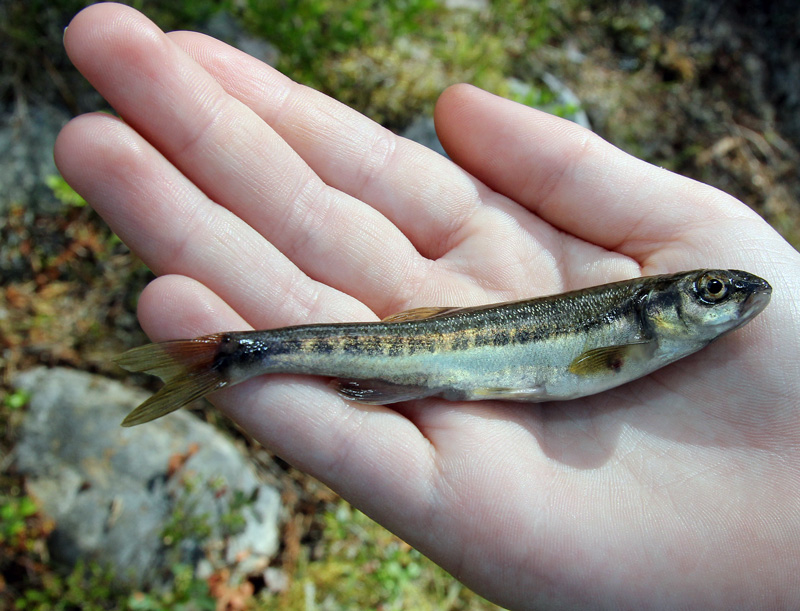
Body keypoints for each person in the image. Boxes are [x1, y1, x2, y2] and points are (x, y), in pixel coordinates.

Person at [55, 4, 800, 609]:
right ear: (654, 310)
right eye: (709, 292)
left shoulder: (664, 343)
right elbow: (590, 362)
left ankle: (238, 355)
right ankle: (237, 353)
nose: (734, 300)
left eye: (716, 293)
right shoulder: (630, 336)